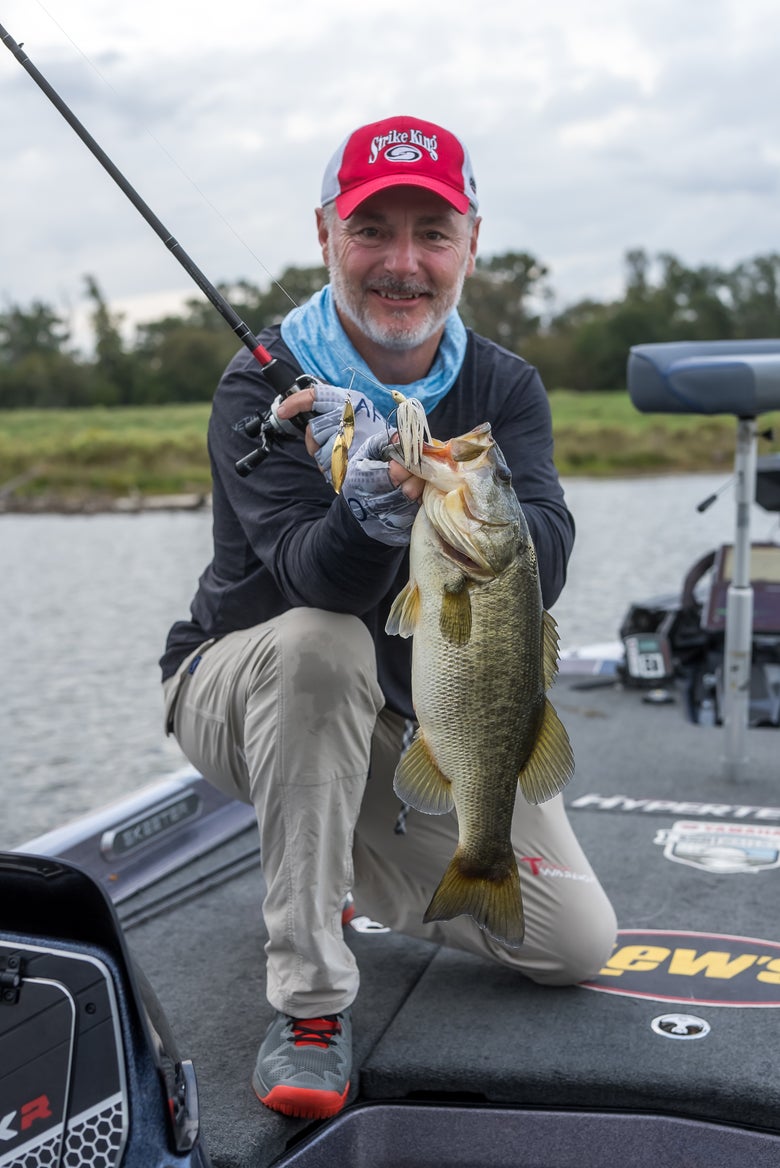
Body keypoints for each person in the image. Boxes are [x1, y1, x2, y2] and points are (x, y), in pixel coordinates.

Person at [160, 115, 617, 1122]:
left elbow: (549, 545)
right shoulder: (262, 384)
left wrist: (452, 496)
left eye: (432, 232)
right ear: (325, 233)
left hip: (417, 711)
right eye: (373, 230)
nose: (402, 263)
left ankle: (309, 855)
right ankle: (312, 1001)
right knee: (326, 642)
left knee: (573, 942)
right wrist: (364, 505)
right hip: (248, 689)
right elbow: (308, 578)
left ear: (470, 245)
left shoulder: (504, 385)